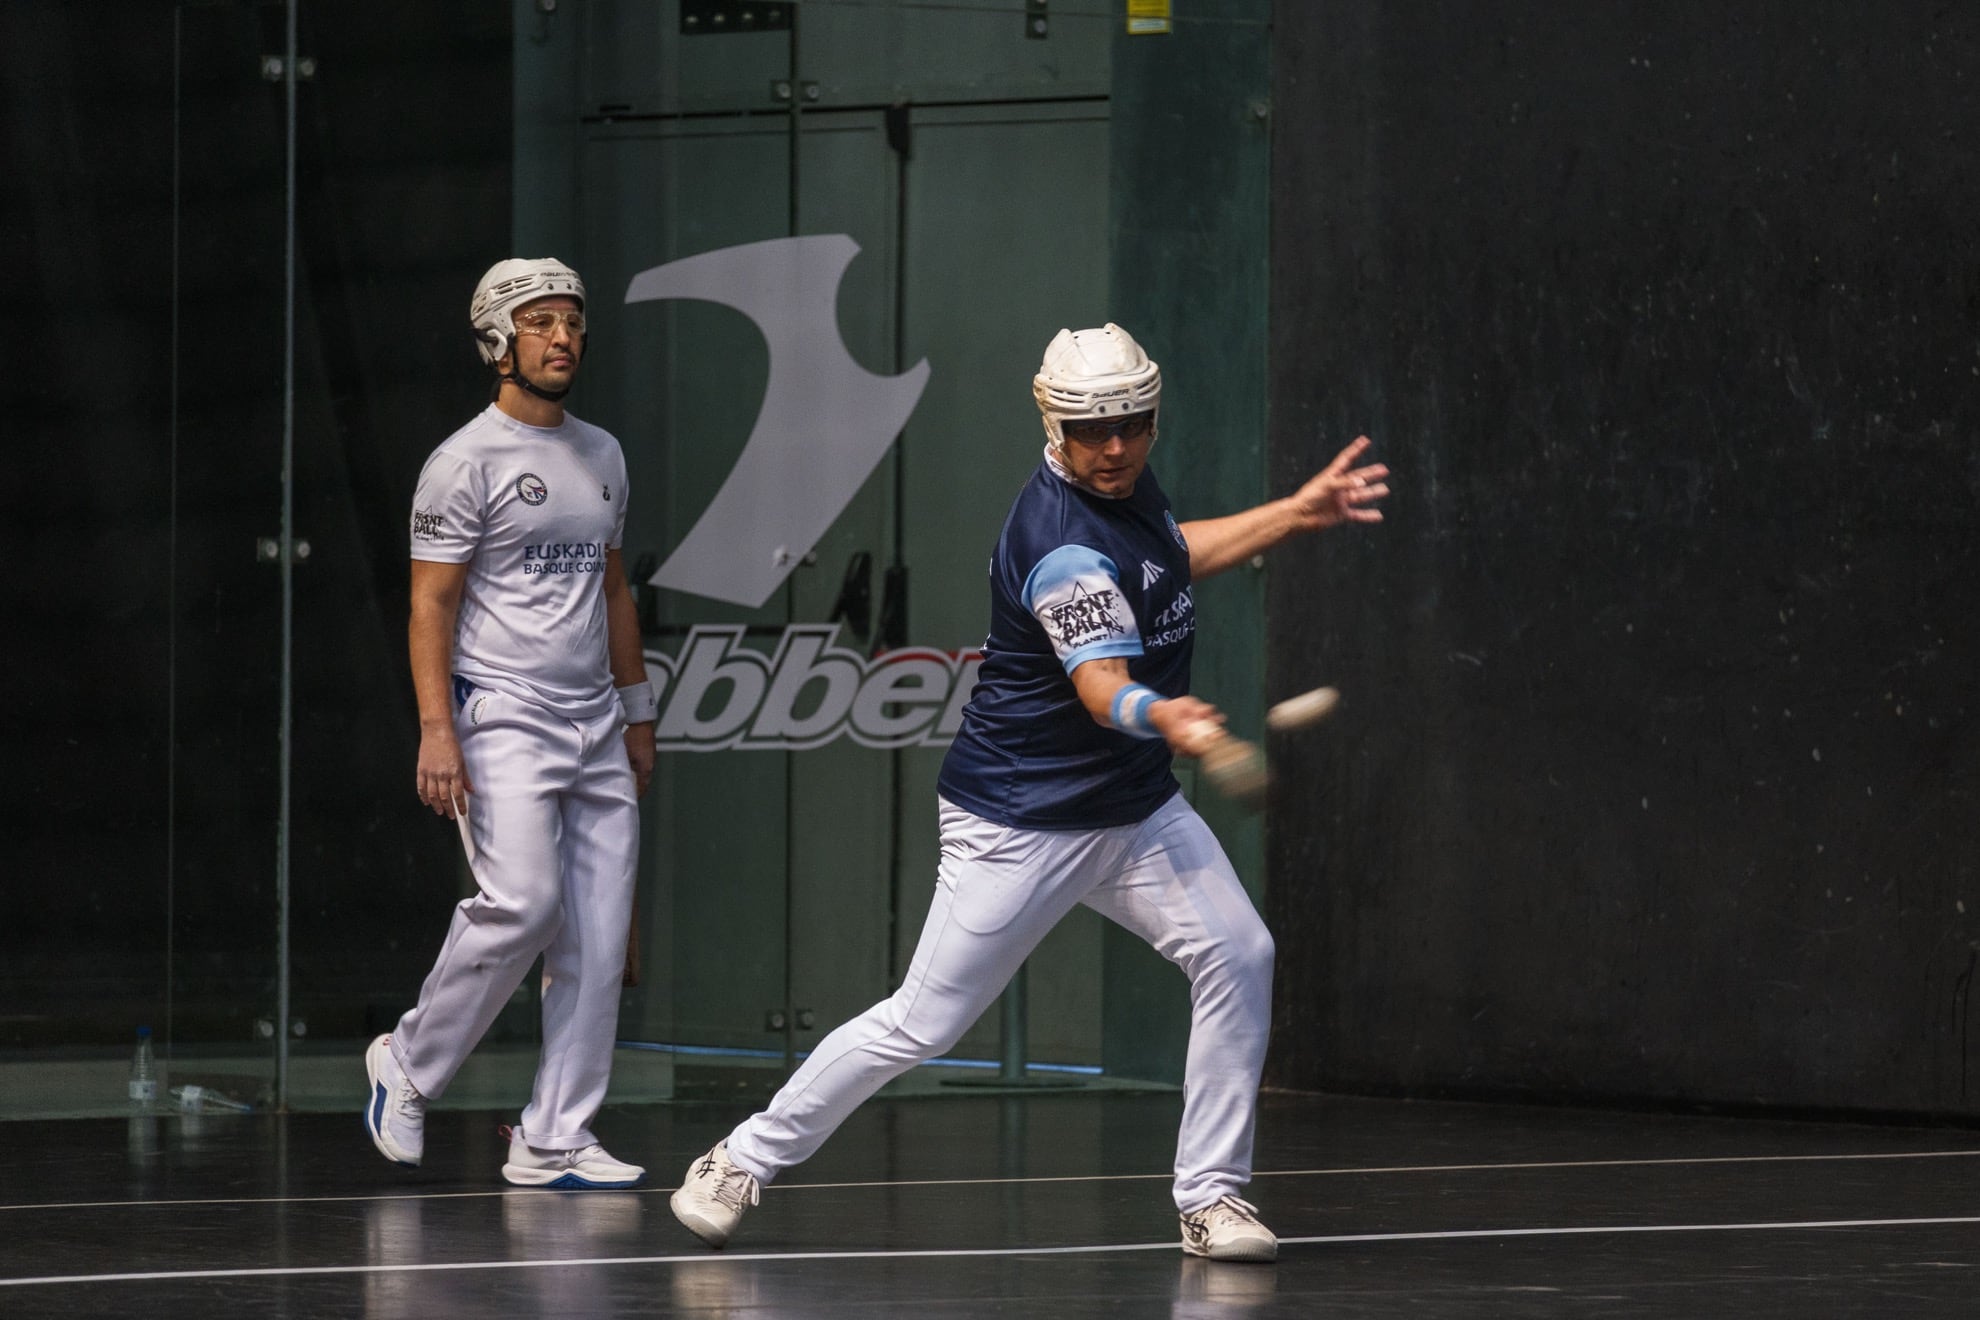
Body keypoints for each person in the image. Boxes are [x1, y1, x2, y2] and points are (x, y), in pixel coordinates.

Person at [668, 323, 1388, 1258]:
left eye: (1132, 424)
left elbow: (1169, 555)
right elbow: (1101, 688)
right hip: (1020, 821)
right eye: (1093, 431)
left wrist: (1294, 512)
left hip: (1132, 809)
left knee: (1240, 954)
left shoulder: (1126, 491)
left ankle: (1211, 1198)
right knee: (921, 1024)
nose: (1115, 447)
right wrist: (1167, 717)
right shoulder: (1060, 546)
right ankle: (738, 1159)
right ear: (1053, 424)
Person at [362, 257, 657, 1190]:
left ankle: (554, 1136)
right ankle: (407, 1065)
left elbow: (613, 588)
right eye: (539, 323)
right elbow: (431, 605)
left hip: (596, 721)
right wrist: (435, 729)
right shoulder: (464, 462)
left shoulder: (603, 454)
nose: (562, 337)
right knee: (524, 904)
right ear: (498, 341)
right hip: (502, 714)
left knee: (599, 939)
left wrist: (637, 712)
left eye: (572, 321)